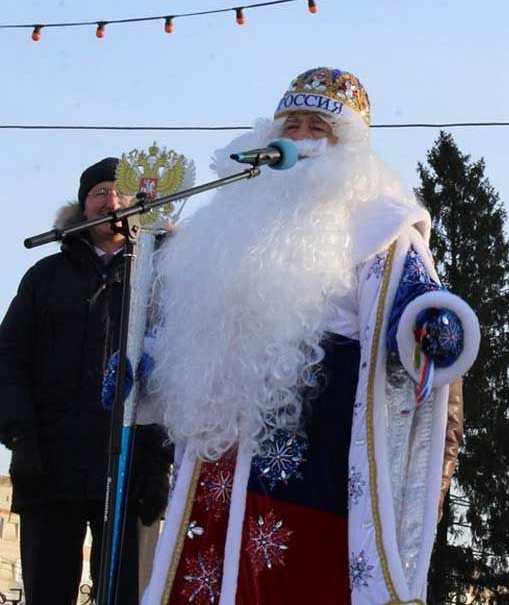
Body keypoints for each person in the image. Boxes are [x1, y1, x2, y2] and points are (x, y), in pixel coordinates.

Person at [139, 67, 479, 604]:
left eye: (315, 126)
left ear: (347, 146)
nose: (297, 138)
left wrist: (428, 326)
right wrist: (149, 371)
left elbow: (413, 307)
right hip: (219, 463)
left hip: (311, 461)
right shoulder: (232, 216)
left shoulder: (379, 223)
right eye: (290, 124)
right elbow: (192, 330)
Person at [0, 157, 172, 604]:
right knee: (48, 590)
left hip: (130, 468)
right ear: (82, 206)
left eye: (119, 192)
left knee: (129, 593)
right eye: (99, 193)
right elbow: (8, 360)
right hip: (50, 465)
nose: (109, 202)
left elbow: (179, 372)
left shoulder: (160, 279)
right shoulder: (45, 278)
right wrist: (21, 436)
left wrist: (161, 462)